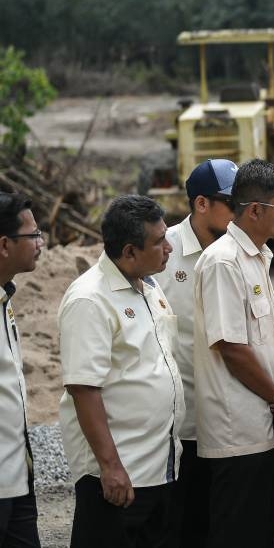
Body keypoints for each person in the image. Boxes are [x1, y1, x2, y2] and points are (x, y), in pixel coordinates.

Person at [58, 195, 184, 548]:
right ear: (129, 252)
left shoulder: (149, 285)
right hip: (118, 476)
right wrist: (110, 467)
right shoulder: (90, 299)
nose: (169, 247)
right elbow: (83, 389)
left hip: (159, 466)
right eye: (159, 241)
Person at [192, 159, 274, 548]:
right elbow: (231, 347)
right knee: (239, 534)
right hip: (238, 434)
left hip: (263, 429)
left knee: (262, 532)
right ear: (254, 210)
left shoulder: (258, 258)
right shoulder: (223, 261)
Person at [153, 158, 237, 548]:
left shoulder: (239, 252)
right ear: (201, 204)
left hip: (226, 420)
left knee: (213, 525)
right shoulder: (161, 254)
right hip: (178, 423)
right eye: (232, 202)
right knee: (175, 525)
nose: (242, 211)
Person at [0, 193, 44, 548]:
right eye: (33, 236)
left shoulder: (5, 298)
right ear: (4, 244)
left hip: (17, 476)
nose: (40, 243)